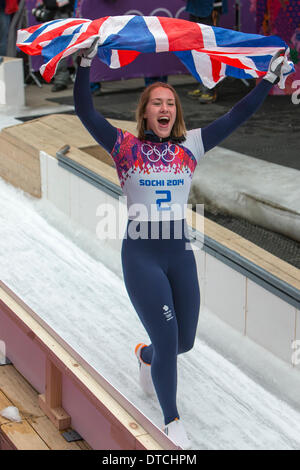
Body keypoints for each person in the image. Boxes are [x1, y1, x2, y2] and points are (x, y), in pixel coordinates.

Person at [73, 42, 286, 449]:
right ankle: (171, 421)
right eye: (157, 102)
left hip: (179, 255)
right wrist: (85, 64)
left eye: (170, 102)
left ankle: (146, 356)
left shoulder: (192, 146)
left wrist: (269, 78)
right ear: (145, 112)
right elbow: (86, 111)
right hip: (142, 256)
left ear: (177, 112)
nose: (165, 108)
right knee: (170, 339)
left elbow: (237, 115)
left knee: (183, 341)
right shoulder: (124, 148)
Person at [185, 0, 227, 103]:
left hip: (210, 8)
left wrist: (216, 7)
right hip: (195, 8)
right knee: (198, 50)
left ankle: (211, 88)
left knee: (210, 50)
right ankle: (203, 83)